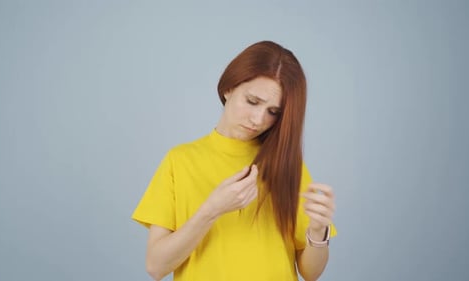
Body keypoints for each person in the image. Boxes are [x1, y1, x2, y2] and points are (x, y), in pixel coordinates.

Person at [132, 40, 337, 281]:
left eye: (274, 112)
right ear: (229, 88)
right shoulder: (180, 161)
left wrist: (317, 231)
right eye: (252, 101)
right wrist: (212, 209)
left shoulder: (287, 165)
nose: (258, 119)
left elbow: (311, 273)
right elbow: (156, 267)